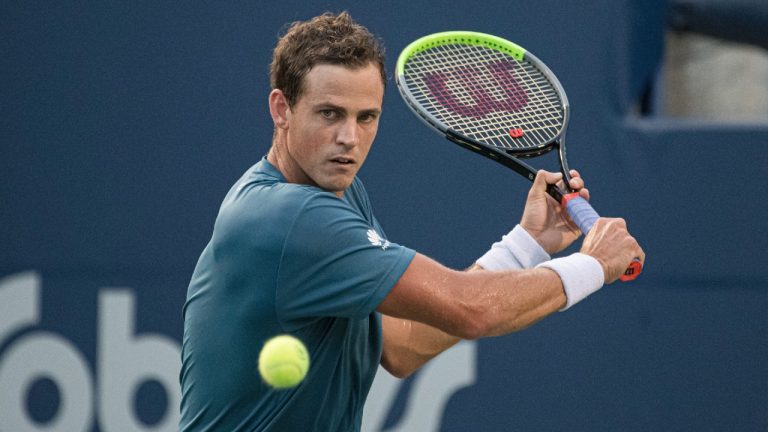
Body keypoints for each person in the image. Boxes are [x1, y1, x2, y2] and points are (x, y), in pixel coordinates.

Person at [179, 11, 644, 431]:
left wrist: (528, 243)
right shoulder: (290, 215)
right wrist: (593, 265)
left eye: (367, 118)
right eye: (329, 114)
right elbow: (472, 309)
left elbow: (400, 346)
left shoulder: (338, 191)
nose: (349, 139)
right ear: (281, 109)